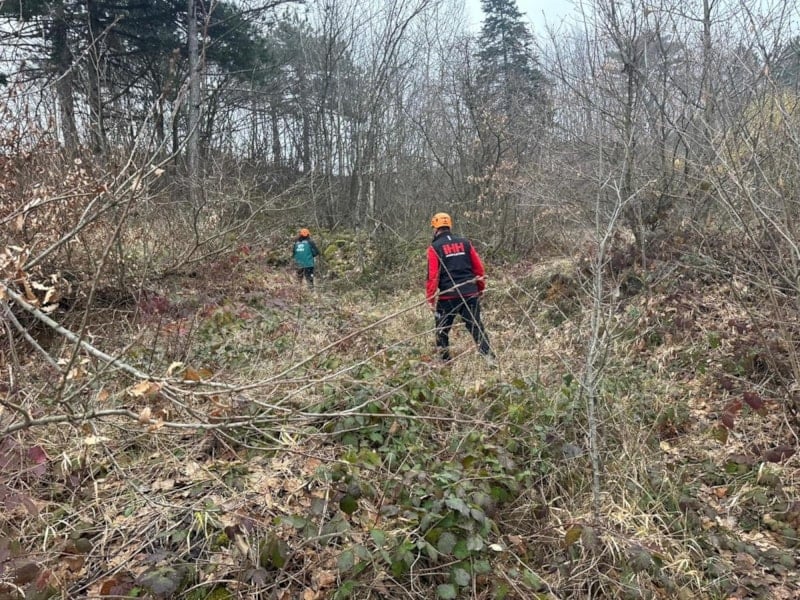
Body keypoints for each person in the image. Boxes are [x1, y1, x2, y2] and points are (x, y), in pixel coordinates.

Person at [426, 212, 494, 364]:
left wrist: (430, 298)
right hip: (470, 293)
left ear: (435, 228)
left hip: (447, 297)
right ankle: (489, 360)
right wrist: (479, 288)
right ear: (449, 226)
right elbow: (479, 269)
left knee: (441, 331)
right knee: (476, 327)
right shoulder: (465, 243)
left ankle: (444, 362)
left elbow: (433, 276)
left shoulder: (434, 248)